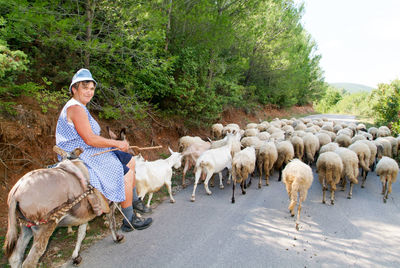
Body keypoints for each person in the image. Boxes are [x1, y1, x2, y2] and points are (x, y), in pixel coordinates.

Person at [55, 68, 152, 232]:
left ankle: (133, 200)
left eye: (92, 88)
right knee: (126, 172)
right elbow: (89, 139)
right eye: (85, 88)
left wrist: (114, 144)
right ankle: (128, 219)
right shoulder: (76, 108)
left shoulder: (79, 106)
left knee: (131, 160)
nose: (89, 92)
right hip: (80, 153)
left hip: (88, 148)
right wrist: (116, 144)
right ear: (74, 89)